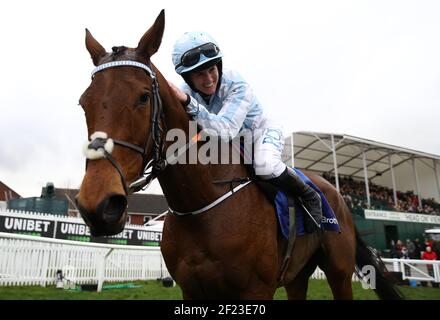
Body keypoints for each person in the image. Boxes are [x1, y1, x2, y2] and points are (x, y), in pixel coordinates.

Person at [167, 31, 322, 229]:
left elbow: (225, 130)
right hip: (230, 141)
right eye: (199, 74)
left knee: (265, 166)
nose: (208, 79)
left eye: (212, 69)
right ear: (187, 78)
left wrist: (189, 103)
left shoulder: (236, 84)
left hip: (259, 132)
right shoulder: (184, 91)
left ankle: (309, 195)